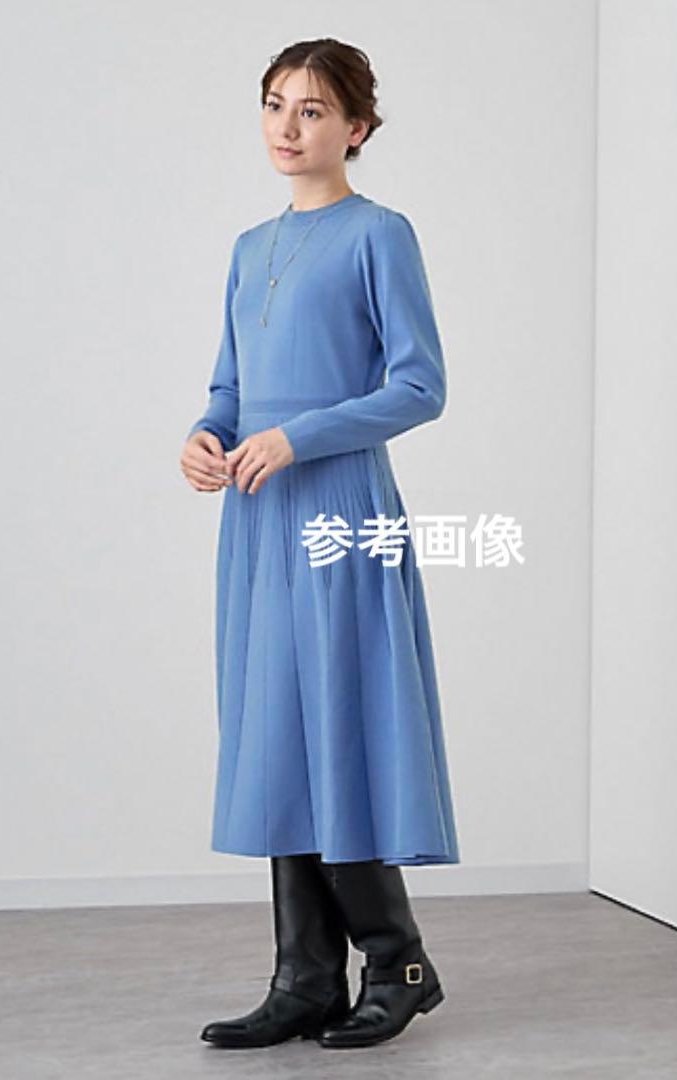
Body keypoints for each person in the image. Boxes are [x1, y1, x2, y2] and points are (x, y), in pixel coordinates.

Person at [179, 37, 460, 1050]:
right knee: (280, 735)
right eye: (273, 105)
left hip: (338, 507)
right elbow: (230, 384)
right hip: (258, 516)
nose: (286, 127)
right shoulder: (248, 248)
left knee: (342, 725)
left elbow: (419, 386)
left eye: (310, 110)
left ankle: (398, 963)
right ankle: (304, 977)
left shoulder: (380, 234)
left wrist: (299, 436)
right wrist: (206, 435)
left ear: (357, 127)